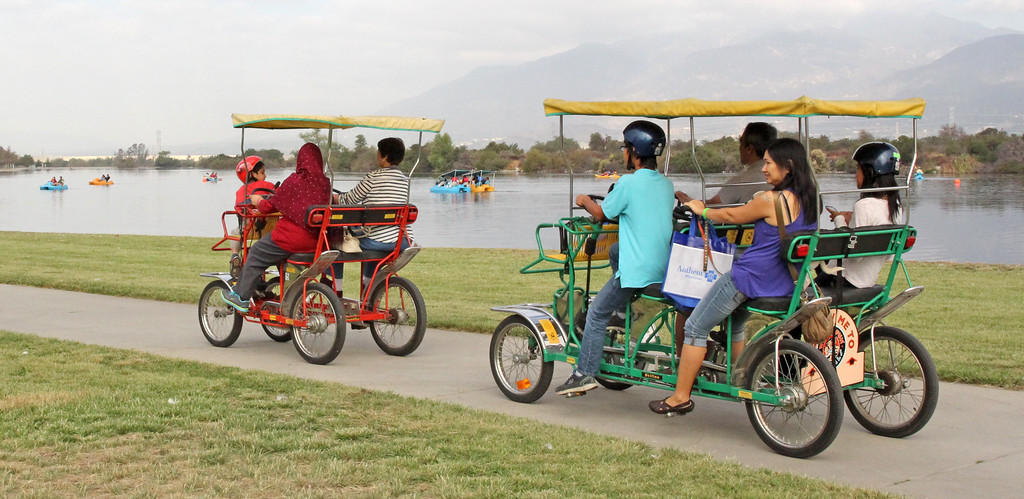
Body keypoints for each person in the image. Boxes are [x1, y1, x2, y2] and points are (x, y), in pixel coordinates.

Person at [650, 138, 818, 415]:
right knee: (736, 323)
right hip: (785, 282)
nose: (763, 169)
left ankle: (680, 396)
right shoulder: (811, 201)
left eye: (768, 163)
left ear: (787, 167)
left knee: (694, 327)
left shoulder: (770, 200)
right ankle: (740, 378)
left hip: (750, 279)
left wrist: (699, 208)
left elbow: (730, 215)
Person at [555, 120, 676, 395]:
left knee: (597, 313)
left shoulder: (627, 184)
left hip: (638, 271)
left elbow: (601, 214)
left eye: (625, 149)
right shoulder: (666, 185)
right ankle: (622, 311)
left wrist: (585, 201)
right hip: (662, 265)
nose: (623, 154)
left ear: (633, 151)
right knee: (614, 251)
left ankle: (584, 373)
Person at [221, 143, 331, 313]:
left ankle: (241, 296)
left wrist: (257, 200)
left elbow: (268, 207)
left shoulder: (295, 181)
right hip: (317, 242)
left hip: (290, 239)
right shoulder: (324, 183)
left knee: (256, 252)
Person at [820, 142, 903, 289]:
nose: (855, 175)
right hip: (867, 281)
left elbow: (854, 253)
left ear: (870, 172)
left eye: (858, 169)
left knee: (798, 292)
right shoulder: (896, 205)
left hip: (844, 280)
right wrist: (850, 218)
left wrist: (839, 219)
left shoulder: (863, 205)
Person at [333, 137, 415, 284]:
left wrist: (334, 197)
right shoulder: (405, 180)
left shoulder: (373, 178)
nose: (377, 155)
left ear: (384, 156)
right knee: (374, 233)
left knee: (334, 243)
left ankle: (337, 290)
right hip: (402, 240)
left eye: (378, 152)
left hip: (377, 241)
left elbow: (348, 200)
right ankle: (369, 287)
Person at [675, 122, 777, 206]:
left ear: (749, 149)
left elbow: (714, 205)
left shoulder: (741, 181)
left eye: (741, 143)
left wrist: (689, 200)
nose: (739, 147)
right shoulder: (782, 176)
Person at [228, 156, 277, 277]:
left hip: (250, 229)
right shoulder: (271, 186)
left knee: (234, 233)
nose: (265, 175)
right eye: (262, 172)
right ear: (253, 174)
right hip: (272, 230)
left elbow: (239, 209)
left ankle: (235, 255)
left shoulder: (242, 191)